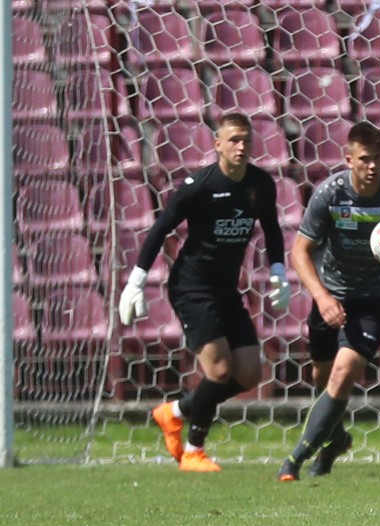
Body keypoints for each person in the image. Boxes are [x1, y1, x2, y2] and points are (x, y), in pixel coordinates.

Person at [118, 113, 290, 472]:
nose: (241, 146)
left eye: (246, 140)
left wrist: (278, 271)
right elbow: (161, 227)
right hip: (192, 287)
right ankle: (194, 451)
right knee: (219, 368)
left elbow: (272, 229)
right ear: (218, 145)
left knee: (249, 375)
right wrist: (136, 281)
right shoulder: (200, 185)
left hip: (227, 288)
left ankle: (175, 412)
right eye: (233, 140)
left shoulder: (260, 184)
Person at [277, 121, 380, 481]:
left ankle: (294, 459)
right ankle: (336, 440)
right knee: (322, 377)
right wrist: (321, 297)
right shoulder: (330, 194)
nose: (372, 166)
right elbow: (300, 252)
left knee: (343, 372)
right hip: (331, 294)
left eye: (378, 158)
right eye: (364, 159)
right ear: (348, 158)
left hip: (375, 298)